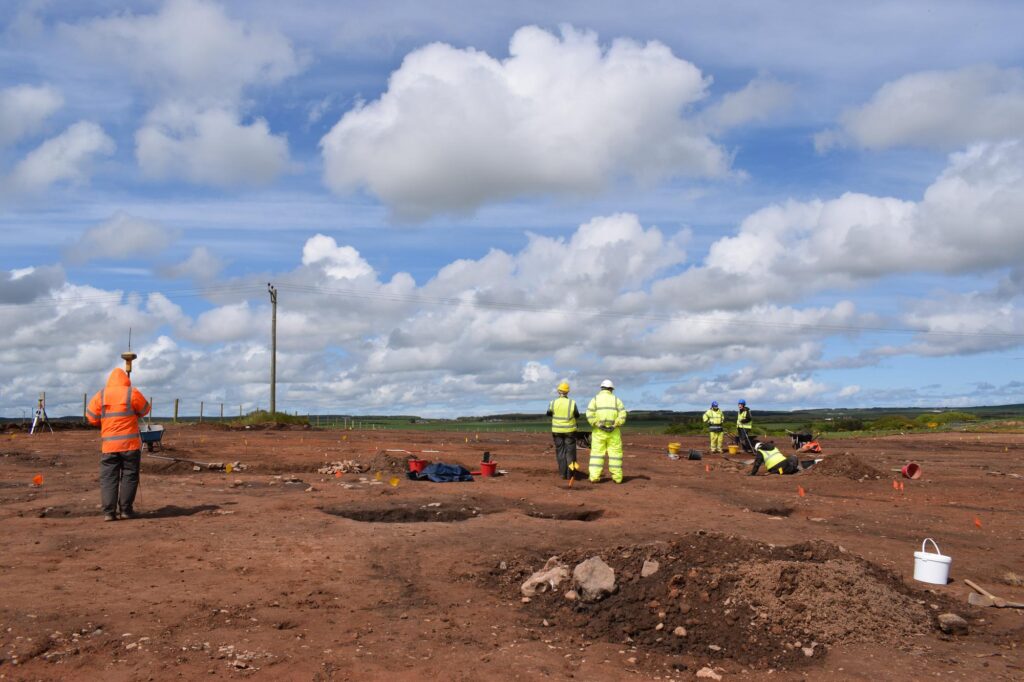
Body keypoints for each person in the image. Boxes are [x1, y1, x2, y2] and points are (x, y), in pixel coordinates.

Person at [86, 367, 150, 521]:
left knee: (109, 477)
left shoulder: (101, 395)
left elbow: (91, 417)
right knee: (130, 476)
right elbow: (145, 410)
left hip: (109, 446)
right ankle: (126, 511)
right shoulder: (131, 392)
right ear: (126, 380)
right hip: (130, 446)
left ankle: (109, 513)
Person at [586, 379, 627, 483]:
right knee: (615, 455)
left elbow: (589, 414)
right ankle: (617, 478)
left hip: (599, 433)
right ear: (611, 389)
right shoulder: (616, 400)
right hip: (614, 432)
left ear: (601, 388)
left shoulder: (595, 399)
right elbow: (622, 415)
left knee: (597, 454)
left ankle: (594, 477)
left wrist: (598, 424)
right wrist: (615, 425)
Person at [546, 382, 580, 479]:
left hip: (557, 431)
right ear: (567, 392)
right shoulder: (572, 403)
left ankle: (562, 474)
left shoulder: (553, 403)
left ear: (558, 391)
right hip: (570, 431)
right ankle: (571, 474)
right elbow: (577, 415)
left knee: (560, 452)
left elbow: (548, 413)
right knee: (570, 453)